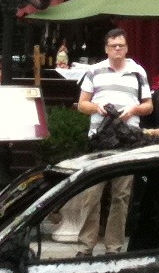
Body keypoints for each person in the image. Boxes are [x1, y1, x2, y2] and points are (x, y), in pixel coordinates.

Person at [63, 30, 153, 251]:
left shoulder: (137, 71)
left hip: (126, 138)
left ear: (127, 48)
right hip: (99, 138)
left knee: (121, 196)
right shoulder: (94, 71)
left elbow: (149, 105)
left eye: (121, 45)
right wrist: (98, 107)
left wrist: (133, 110)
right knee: (91, 193)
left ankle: (114, 247)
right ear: (106, 48)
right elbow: (82, 104)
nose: (117, 50)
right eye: (113, 46)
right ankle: (85, 247)